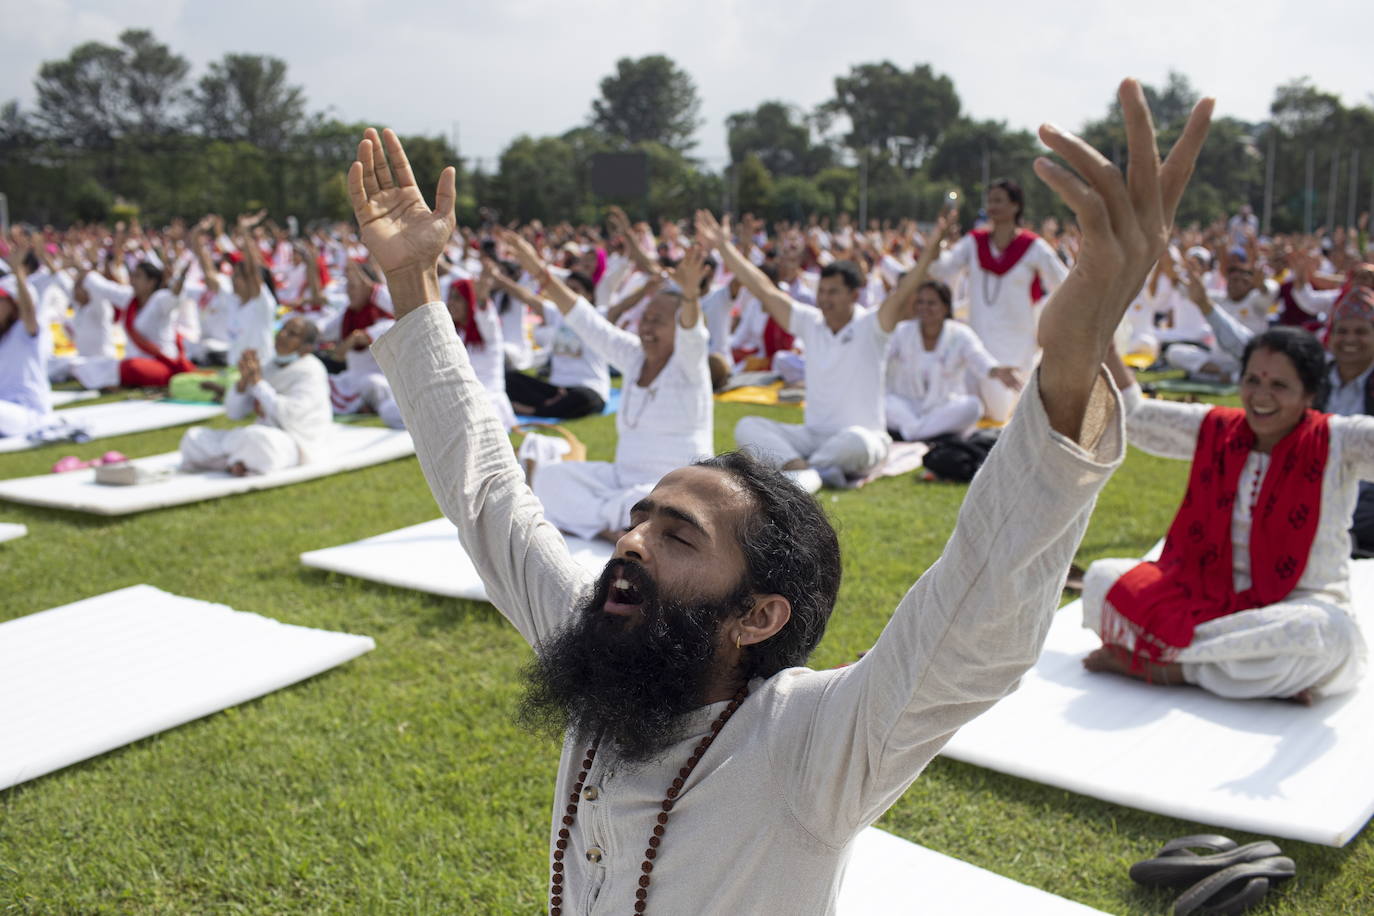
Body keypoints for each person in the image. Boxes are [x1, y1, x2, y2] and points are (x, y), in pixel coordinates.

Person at [347, 76, 1211, 912]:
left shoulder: (811, 745)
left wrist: (1069, 361)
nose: (630, 543)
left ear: (757, 616)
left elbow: (972, 623)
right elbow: (489, 493)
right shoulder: (611, 643)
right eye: (642, 519)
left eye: (678, 538)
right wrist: (415, 285)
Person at [1082, 328, 1370, 702]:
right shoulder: (1216, 428)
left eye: (1280, 385)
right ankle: (1255, 669)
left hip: (1298, 604)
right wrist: (1105, 348)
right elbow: (1135, 417)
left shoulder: (1341, 441)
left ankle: (1171, 666)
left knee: (1326, 635)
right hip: (1202, 594)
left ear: (1310, 394)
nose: (1261, 397)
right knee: (1102, 580)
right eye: (1252, 380)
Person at [498, 228, 713, 542]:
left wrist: (691, 296)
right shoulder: (633, 355)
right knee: (551, 479)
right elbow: (585, 320)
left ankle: (627, 524)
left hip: (676, 488)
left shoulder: (689, 364)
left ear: (678, 328)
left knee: (654, 504)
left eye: (659, 321)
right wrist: (537, 270)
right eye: (647, 317)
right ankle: (619, 528)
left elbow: (693, 329)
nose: (647, 326)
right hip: (621, 479)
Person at [699, 214, 909, 492]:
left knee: (859, 443)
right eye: (822, 291)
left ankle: (805, 471)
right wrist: (725, 247)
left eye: (833, 292)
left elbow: (906, 290)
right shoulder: (811, 321)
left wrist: (931, 253)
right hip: (812, 437)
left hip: (859, 437)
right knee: (747, 427)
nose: (825, 298)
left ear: (854, 294)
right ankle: (807, 470)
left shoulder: (872, 325)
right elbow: (763, 288)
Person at [927, 178, 1070, 422]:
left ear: (1015, 206)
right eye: (990, 200)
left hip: (1018, 340)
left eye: (999, 200)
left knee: (1001, 411)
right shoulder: (974, 242)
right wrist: (939, 236)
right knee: (974, 408)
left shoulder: (1033, 246)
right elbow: (940, 270)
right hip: (979, 336)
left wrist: (1046, 321)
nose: (992, 206)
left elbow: (1063, 284)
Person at [884, 214, 1022, 442]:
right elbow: (881, 358)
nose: (925, 309)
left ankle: (913, 432)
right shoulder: (904, 332)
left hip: (942, 408)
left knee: (972, 407)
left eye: (931, 303)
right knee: (882, 402)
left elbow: (980, 360)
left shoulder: (959, 334)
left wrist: (997, 372)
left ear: (945, 307)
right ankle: (922, 431)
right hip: (904, 404)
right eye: (921, 303)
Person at [179, 317, 332, 476]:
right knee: (194, 437)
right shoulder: (269, 366)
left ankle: (232, 460)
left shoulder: (311, 371)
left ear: (305, 349)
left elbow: (291, 415)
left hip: (295, 441)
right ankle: (237, 461)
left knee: (258, 440)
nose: (282, 335)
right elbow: (234, 413)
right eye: (283, 329)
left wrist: (258, 384)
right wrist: (243, 381)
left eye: (291, 334)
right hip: (257, 434)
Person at [498, 269, 612, 421]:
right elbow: (526, 297)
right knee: (508, 378)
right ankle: (548, 407)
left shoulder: (598, 316)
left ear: (589, 295)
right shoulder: (555, 313)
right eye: (566, 290)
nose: (568, 295)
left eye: (575, 290)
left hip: (588, 387)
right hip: (556, 389)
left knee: (586, 399)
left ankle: (530, 410)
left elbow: (625, 306)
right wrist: (497, 277)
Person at [70, 260, 197, 390]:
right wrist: (84, 271)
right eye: (133, 276)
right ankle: (116, 380)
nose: (132, 280)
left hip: (162, 363)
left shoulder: (160, 299)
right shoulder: (129, 298)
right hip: (133, 361)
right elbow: (106, 288)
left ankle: (118, 381)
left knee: (131, 367)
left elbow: (174, 296)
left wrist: (181, 278)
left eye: (138, 276)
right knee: (88, 364)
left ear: (151, 282)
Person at [0, 246, 53, 437]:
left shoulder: (24, 331)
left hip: (30, 414)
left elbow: (29, 311)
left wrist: (19, 274)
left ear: (13, 304)